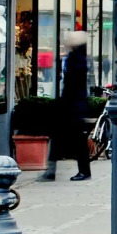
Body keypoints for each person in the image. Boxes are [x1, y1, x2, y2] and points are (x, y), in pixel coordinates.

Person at [40, 31, 92, 181]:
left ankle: (80, 171)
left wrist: (65, 105)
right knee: (61, 139)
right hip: (72, 106)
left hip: (72, 107)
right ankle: (52, 171)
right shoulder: (77, 58)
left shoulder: (76, 59)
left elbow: (72, 86)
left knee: (74, 141)